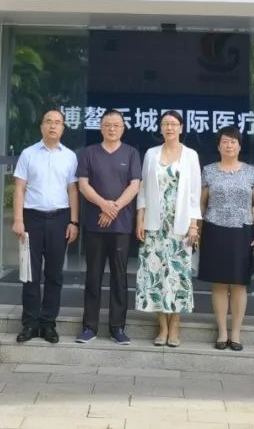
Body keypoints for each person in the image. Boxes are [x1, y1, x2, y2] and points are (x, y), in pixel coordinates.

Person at [135, 110, 202, 347]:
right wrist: (140, 219)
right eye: (165, 124)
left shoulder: (190, 155)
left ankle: (175, 327)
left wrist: (194, 225)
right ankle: (161, 327)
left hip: (180, 226)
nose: (170, 128)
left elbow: (194, 193)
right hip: (154, 225)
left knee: (177, 277)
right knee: (155, 275)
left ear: (181, 128)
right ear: (160, 128)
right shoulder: (151, 154)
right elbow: (143, 189)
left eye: (174, 124)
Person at [11, 108, 79, 344]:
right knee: (29, 273)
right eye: (48, 121)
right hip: (32, 219)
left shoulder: (70, 156)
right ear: (41, 126)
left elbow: (73, 191)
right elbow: (19, 188)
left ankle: (48, 323)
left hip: (60, 219)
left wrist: (73, 222)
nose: (52, 126)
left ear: (63, 128)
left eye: (57, 122)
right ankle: (30, 323)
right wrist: (18, 219)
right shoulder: (28, 154)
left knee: (54, 274)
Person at [75, 109, 142, 345]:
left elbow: (134, 185)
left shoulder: (131, 153)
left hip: (121, 225)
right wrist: (104, 205)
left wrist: (114, 208)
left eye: (116, 125)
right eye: (107, 125)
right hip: (95, 225)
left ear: (123, 128)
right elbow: (83, 185)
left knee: (119, 278)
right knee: (93, 276)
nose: (112, 129)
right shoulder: (89, 153)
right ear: (101, 127)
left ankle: (117, 328)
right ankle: (89, 327)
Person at [198, 125, 254, 351]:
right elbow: (202, 203)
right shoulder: (209, 171)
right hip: (214, 230)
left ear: (239, 146)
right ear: (218, 147)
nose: (229, 145)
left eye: (233, 142)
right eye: (225, 142)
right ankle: (222, 331)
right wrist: (196, 229)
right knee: (218, 284)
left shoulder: (250, 171)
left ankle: (236, 332)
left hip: (242, 231)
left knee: (239, 284)